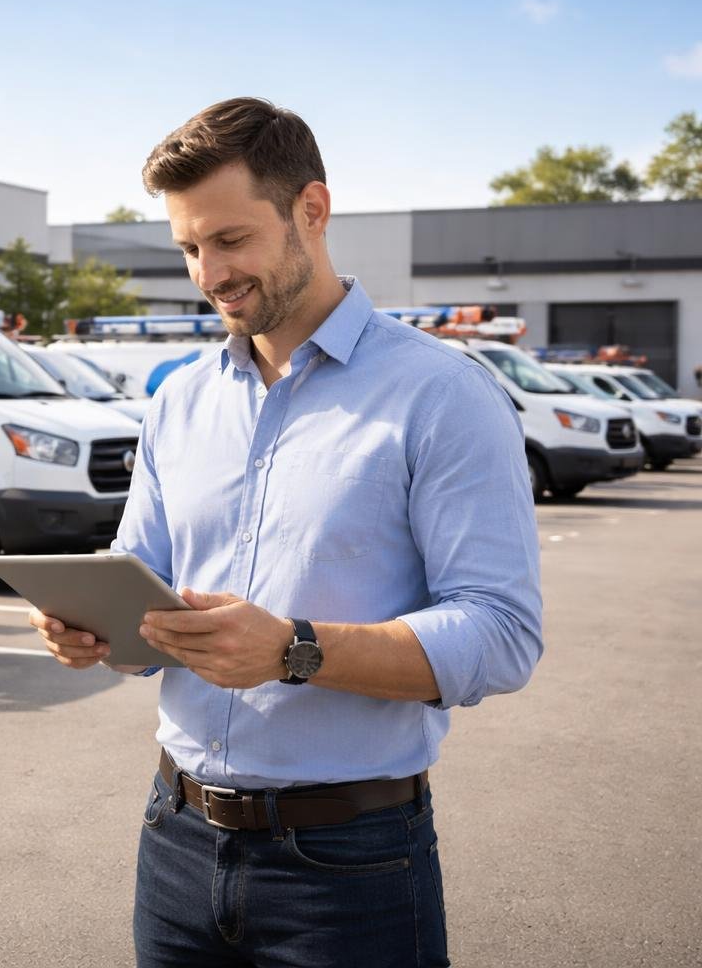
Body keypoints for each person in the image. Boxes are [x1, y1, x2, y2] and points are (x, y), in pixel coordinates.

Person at [30, 97, 542, 967]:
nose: (208, 274)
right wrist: (95, 630)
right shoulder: (178, 403)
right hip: (176, 840)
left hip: (350, 866)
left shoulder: (441, 396)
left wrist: (295, 650)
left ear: (312, 210)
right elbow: (145, 597)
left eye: (230, 240)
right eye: (189, 248)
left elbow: (501, 634)